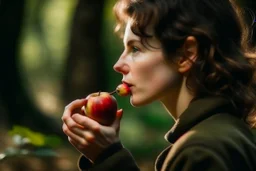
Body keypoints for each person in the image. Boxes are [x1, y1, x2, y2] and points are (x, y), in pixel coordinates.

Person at [62, 0, 256, 170]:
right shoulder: (227, 133)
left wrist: (108, 158)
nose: (118, 65)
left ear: (186, 55)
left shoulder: (201, 151)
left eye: (135, 49)